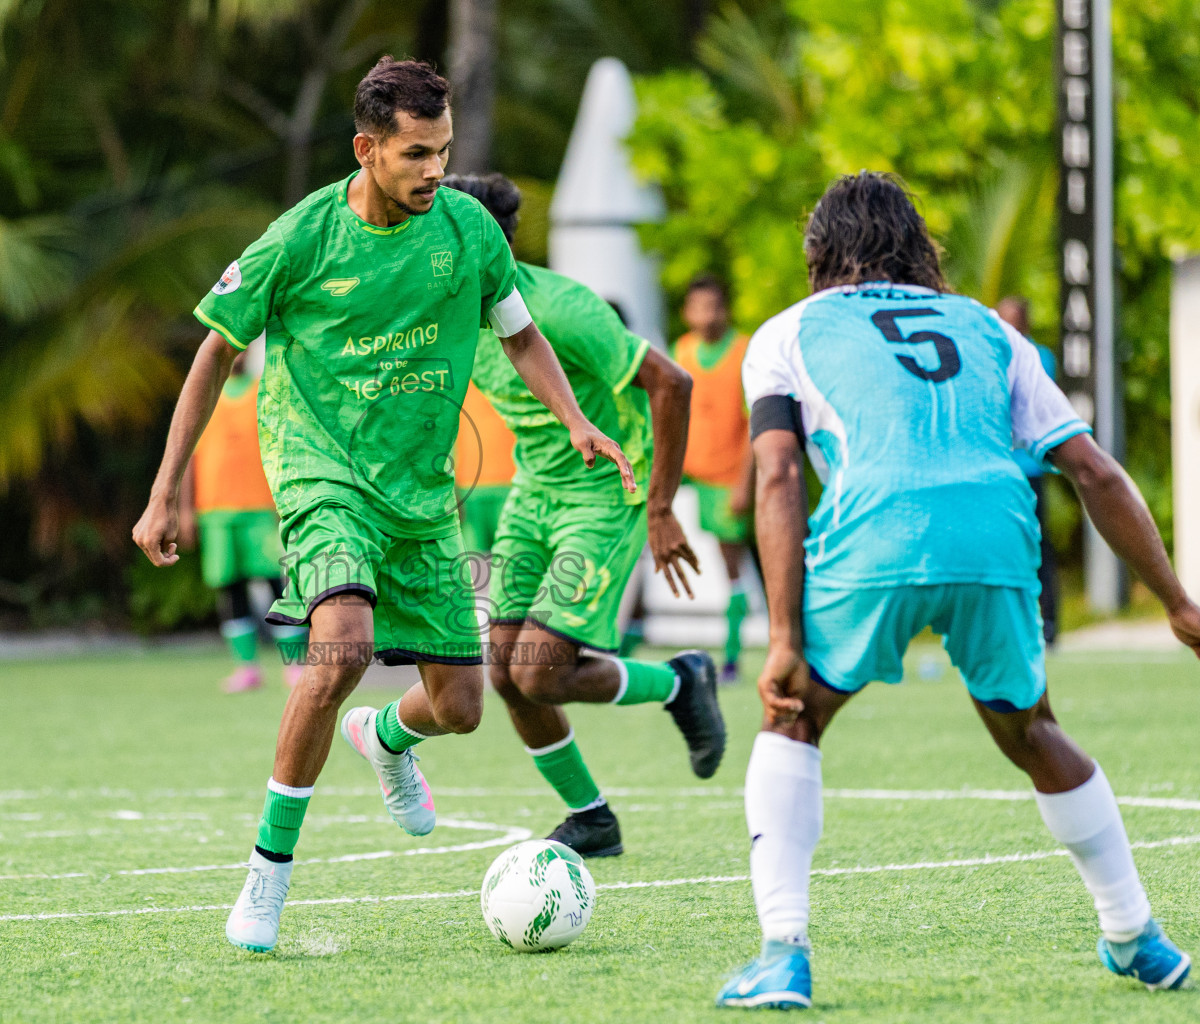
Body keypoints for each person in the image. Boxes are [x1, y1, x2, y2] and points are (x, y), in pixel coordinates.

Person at [132, 58, 636, 954]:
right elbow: (213, 352)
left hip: (420, 497)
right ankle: (266, 878)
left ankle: (387, 741)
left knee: (462, 706)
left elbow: (521, 336)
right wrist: (166, 487)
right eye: (415, 154)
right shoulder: (299, 239)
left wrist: (580, 422)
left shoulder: (470, 230)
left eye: (443, 151)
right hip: (320, 475)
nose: (434, 170)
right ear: (367, 150)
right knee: (342, 649)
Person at [717, 171, 1199, 1009]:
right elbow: (1091, 469)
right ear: (917, 247)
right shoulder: (988, 329)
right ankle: (1137, 937)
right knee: (1032, 728)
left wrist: (786, 637)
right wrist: (1176, 600)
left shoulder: (785, 333)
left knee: (791, 714)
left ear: (819, 251)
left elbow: (778, 472)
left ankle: (782, 952)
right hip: (996, 533)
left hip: (877, 534)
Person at [442, 172, 725, 859]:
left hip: (604, 497)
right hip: (532, 494)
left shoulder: (564, 310)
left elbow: (672, 382)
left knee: (537, 671)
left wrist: (660, 508)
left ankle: (679, 681)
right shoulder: (453, 311)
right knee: (504, 671)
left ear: (488, 244)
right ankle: (591, 816)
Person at [178, 358, 308, 692]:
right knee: (229, 587)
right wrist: (184, 510)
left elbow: (283, 447)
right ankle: (246, 668)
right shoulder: (204, 396)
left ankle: (295, 667)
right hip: (216, 513)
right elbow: (190, 456)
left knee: (278, 584)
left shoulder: (263, 392)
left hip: (262, 510)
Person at [674, 275, 756, 681]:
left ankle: (733, 654)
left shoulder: (744, 352)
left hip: (731, 480)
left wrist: (745, 482)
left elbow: (756, 425)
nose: (706, 315)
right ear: (687, 312)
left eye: (714, 307)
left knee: (734, 567)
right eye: (698, 307)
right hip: (695, 478)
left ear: (725, 310)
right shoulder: (683, 351)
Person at [997, 295, 1062, 645]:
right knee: (1002, 548)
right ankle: (1009, 627)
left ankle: (1048, 622)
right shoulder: (990, 353)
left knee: (1038, 547)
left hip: (1028, 470)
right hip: (999, 471)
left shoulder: (1038, 358)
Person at [453, 383, 517, 556]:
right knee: (473, 564)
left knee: (512, 558)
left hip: (512, 483)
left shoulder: (522, 368)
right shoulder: (461, 377)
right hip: (469, 485)